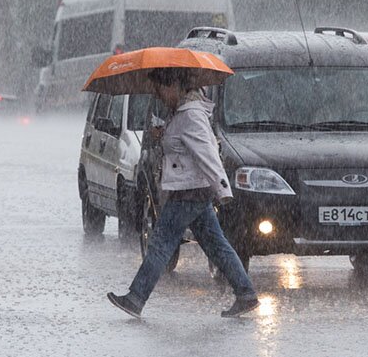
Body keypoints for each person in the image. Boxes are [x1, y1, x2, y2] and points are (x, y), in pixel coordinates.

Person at [107, 68, 260, 318]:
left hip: (189, 192)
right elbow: (182, 145)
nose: (158, 95)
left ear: (175, 87)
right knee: (216, 245)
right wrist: (163, 134)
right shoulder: (181, 113)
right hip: (192, 190)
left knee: (160, 245)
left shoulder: (191, 115)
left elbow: (207, 153)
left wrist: (223, 189)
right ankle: (246, 294)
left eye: (160, 89)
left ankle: (135, 299)